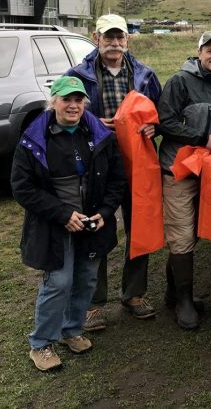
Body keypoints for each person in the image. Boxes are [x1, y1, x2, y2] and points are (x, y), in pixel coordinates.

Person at [11, 75, 126, 372]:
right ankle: (41, 344)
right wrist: (62, 215)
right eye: (66, 99)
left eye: (78, 100)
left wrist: (105, 211)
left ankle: (71, 330)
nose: (73, 105)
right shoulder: (34, 139)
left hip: (92, 223)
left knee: (87, 278)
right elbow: (22, 187)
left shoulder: (100, 134)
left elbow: (117, 178)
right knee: (59, 282)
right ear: (54, 103)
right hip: (55, 224)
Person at [64, 13, 162, 331]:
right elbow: (63, 113)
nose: (115, 43)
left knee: (140, 225)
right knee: (96, 225)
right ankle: (93, 302)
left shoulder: (145, 75)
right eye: (109, 37)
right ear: (97, 38)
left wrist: (155, 126)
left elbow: (160, 113)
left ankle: (134, 294)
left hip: (138, 161)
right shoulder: (78, 75)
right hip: (96, 162)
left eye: (120, 37)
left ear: (127, 40)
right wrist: (91, 123)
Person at [157, 31, 211, 330]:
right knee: (181, 233)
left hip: (209, 172)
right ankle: (184, 301)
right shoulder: (180, 81)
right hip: (178, 170)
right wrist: (202, 138)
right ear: (199, 53)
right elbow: (166, 122)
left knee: (193, 234)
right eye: (210, 50)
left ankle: (172, 293)